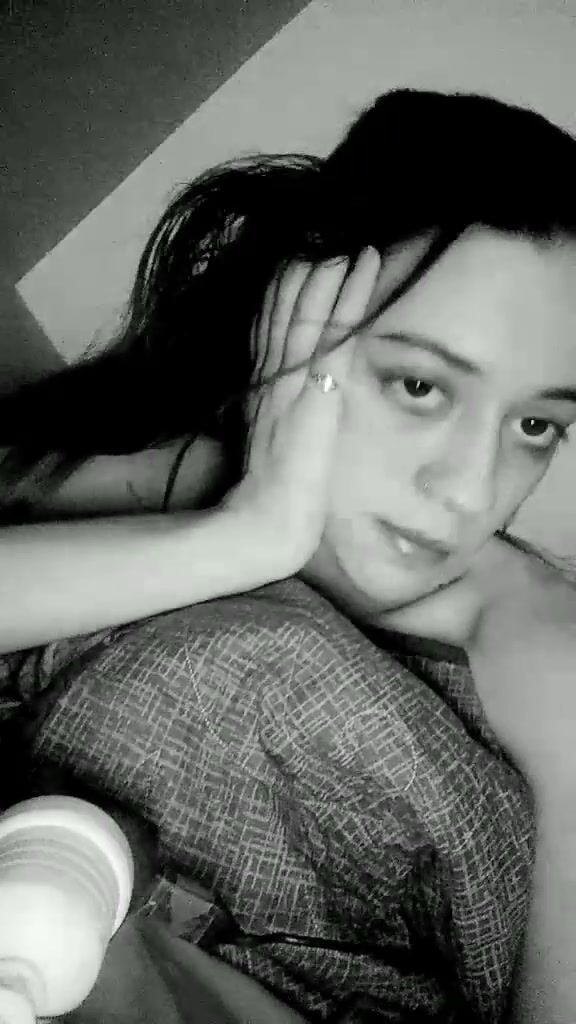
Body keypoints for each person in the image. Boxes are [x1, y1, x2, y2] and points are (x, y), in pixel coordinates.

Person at [2, 88, 576, 1020]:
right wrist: (247, 536)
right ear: (293, 313)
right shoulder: (164, 473)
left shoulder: (544, 648)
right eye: (420, 385)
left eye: (537, 425)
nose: (472, 491)